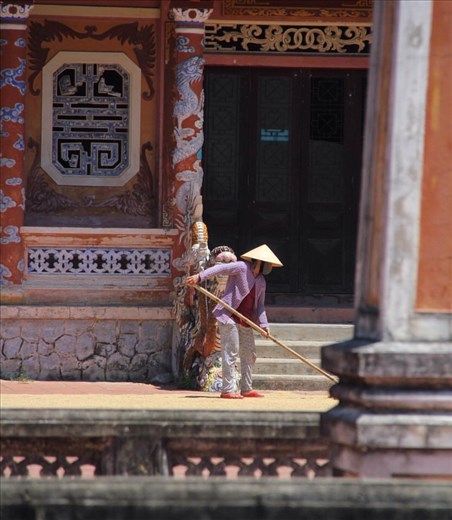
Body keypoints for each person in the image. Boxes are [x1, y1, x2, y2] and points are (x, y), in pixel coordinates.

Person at [185, 244, 283, 399]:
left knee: (249, 353)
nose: (268, 267)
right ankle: (228, 389)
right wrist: (199, 277)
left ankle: (246, 388)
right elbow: (220, 270)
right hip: (229, 315)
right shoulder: (241, 267)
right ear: (259, 262)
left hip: (246, 320)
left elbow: (260, 306)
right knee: (231, 350)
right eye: (266, 263)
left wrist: (264, 326)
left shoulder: (261, 282)